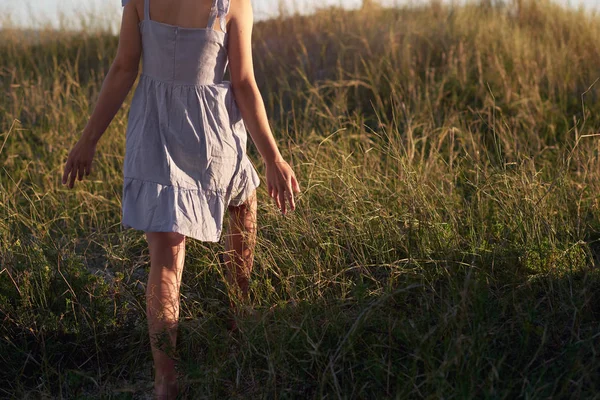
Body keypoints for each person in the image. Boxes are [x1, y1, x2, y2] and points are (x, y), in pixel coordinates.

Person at [62, 0, 301, 397]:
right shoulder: (235, 3)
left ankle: (165, 381)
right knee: (243, 202)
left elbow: (124, 68)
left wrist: (88, 140)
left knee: (167, 260)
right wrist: (273, 157)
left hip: (154, 131)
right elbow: (242, 82)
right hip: (212, 132)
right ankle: (236, 316)